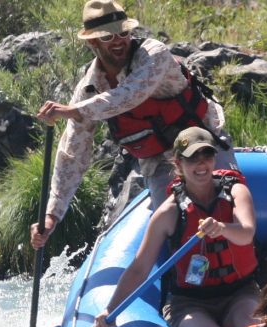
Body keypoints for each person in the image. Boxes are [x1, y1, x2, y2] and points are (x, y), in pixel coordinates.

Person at [30, 0, 237, 251]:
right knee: (175, 230)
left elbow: (130, 95)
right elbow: (73, 153)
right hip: (161, 161)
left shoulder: (153, 54)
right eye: (108, 36)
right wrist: (52, 214)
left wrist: (74, 110)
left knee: (231, 212)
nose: (119, 41)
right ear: (92, 42)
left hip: (207, 146)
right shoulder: (89, 88)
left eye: (124, 33)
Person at [92, 127, 257, 327]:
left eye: (207, 155)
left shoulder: (235, 191)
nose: (201, 164)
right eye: (193, 158)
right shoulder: (169, 212)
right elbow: (139, 268)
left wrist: (223, 228)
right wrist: (110, 310)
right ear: (178, 163)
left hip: (240, 292)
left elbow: (246, 234)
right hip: (190, 302)